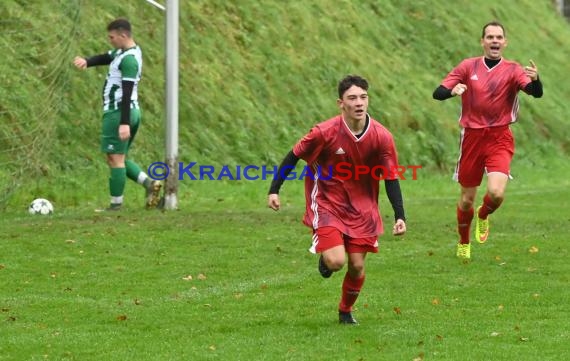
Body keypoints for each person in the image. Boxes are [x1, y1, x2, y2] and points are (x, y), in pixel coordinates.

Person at [267, 75, 407, 325]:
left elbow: (391, 177)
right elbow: (294, 155)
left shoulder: (382, 136)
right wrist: (274, 189)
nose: (358, 102)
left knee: (356, 266)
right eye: (352, 98)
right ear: (340, 103)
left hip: (363, 208)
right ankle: (327, 259)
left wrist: (400, 215)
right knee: (336, 260)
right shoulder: (324, 132)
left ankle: (345, 310)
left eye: (363, 97)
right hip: (328, 202)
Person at [432, 21, 543, 259]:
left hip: (499, 137)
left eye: (499, 37)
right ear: (482, 42)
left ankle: (484, 214)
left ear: (505, 42)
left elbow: (535, 93)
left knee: (496, 193)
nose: (494, 41)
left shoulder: (513, 70)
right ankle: (464, 242)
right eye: (490, 37)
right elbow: (437, 92)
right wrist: (452, 91)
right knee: (465, 200)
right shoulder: (467, 66)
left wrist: (536, 81)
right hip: (471, 138)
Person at [73, 18, 161, 211]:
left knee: (116, 159)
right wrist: (87, 62)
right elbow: (107, 56)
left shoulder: (129, 60)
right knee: (119, 157)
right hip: (130, 111)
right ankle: (149, 184)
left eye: (112, 37)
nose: (110, 40)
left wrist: (124, 123)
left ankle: (115, 206)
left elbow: (127, 90)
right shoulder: (127, 52)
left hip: (119, 112)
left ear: (123, 35)